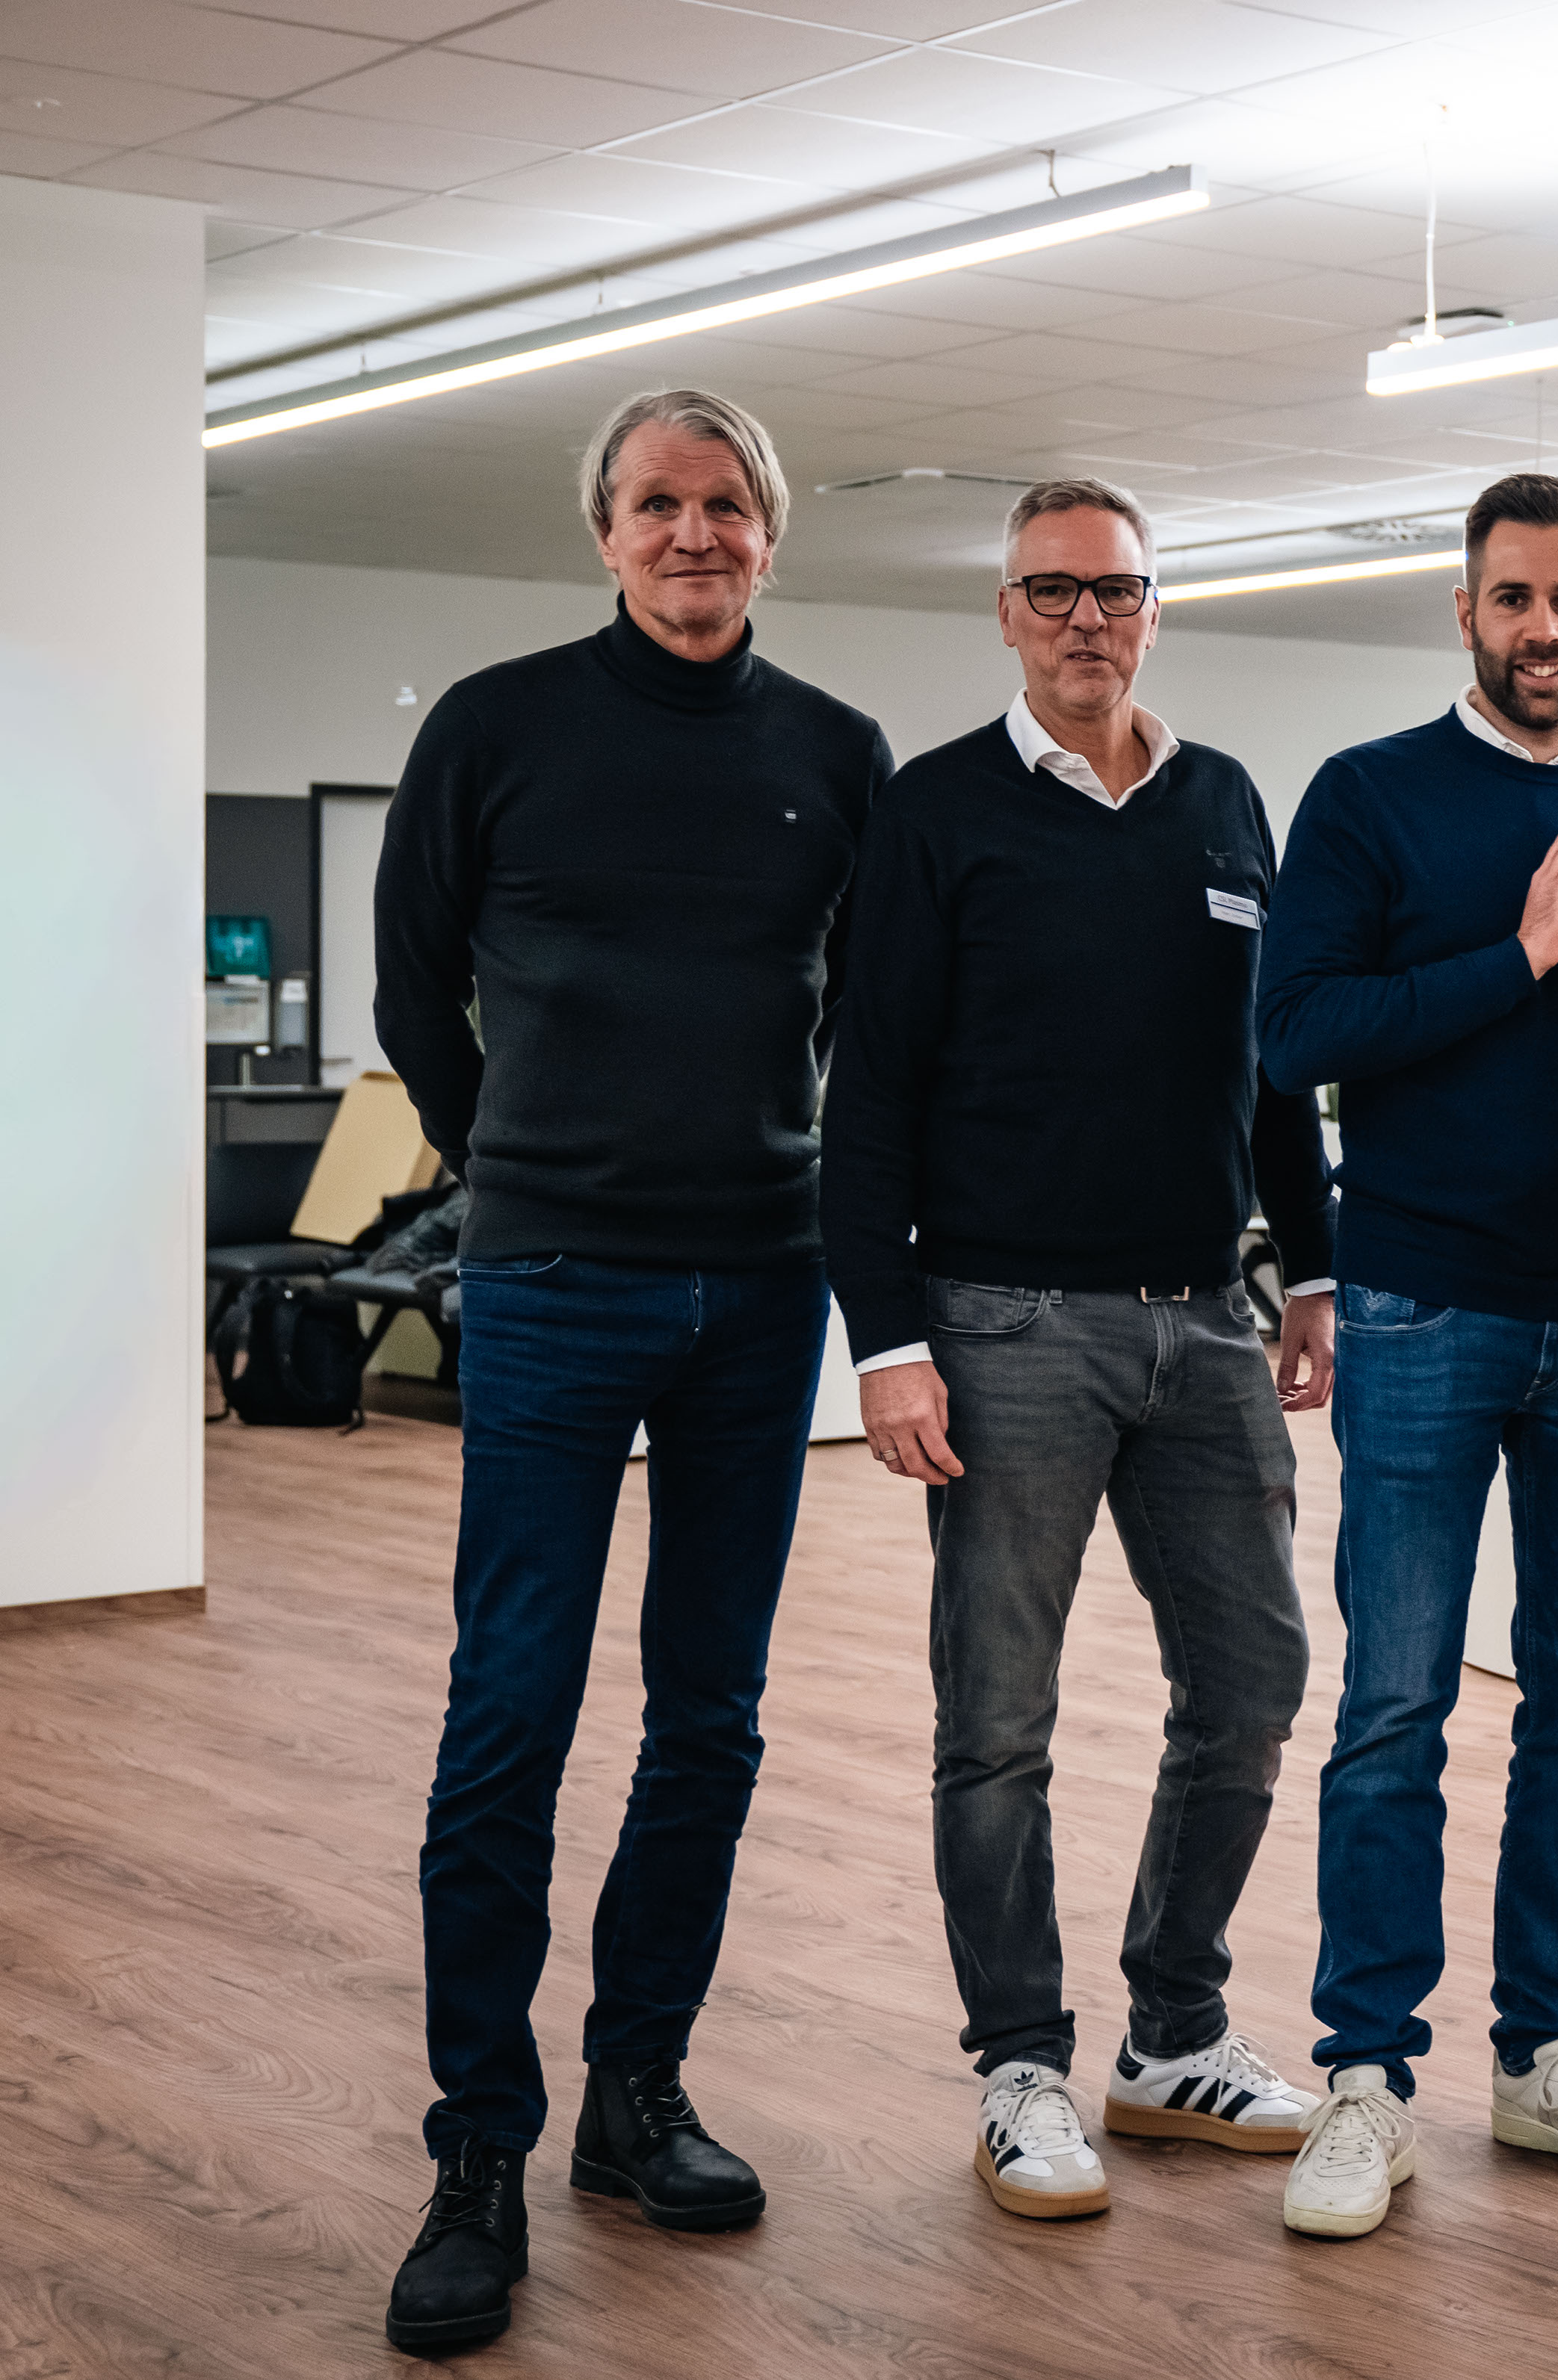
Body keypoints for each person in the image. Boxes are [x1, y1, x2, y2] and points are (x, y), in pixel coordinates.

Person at [371, 388, 893, 2350]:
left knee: (710, 1717)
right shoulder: (494, 728)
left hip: (760, 1291)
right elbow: (414, 987)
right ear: (604, 532)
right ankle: (477, 2148)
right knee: (508, 1713)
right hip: (551, 1282)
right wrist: (518, 1155)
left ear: (771, 531)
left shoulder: (835, 754)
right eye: (659, 503)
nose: (694, 533)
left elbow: (870, 1017)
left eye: (726, 503)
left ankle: (635, 2090)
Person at [820, 477, 1338, 2223]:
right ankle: (1022, 2065)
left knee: (1252, 1685)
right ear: (1005, 613)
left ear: (1152, 610)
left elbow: (1272, 1073)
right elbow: (867, 1099)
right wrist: (885, 1341)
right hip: (1001, 1326)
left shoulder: (1222, 803)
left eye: (1113, 591)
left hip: (1202, 1321)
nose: (1084, 621)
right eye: (1051, 592)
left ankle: (1173, 2036)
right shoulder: (935, 811)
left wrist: (1313, 1272)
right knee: (998, 1719)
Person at [1255, 471, 1558, 2240]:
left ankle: (1544, 2053)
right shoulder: (1367, 797)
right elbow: (1296, 1033)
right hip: (1420, 1310)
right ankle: (1367, 2075)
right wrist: (1517, 957)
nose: (1542, 629)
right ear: (1464, 610)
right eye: (1512, 598)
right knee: (1394, 1705)